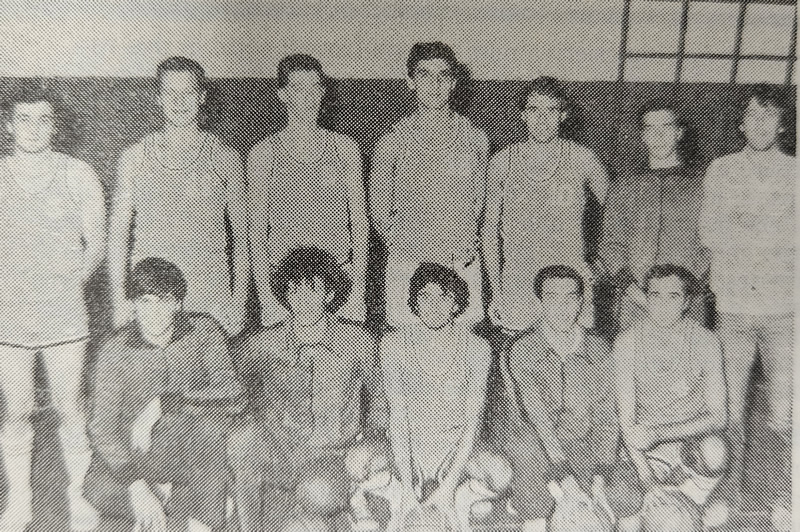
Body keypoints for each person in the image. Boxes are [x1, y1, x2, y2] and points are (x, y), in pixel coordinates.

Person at [0, 87, 105, 532]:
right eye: (24, 119)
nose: (33, 128)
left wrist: (66, 286)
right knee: (17, 408)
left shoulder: (77, 173)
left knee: (69, 405)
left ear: (55, 126)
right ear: (9, 125)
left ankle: (79, 496)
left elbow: (96, 244)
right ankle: (20, 500)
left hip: (63, 313)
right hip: (8, 316)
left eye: (43, 119)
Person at [227, 247, 386, 532]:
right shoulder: (263, 342)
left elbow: (379, 399)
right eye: (295, 291)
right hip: (281, 451)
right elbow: (227, 382)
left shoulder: (358, 340)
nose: (303, 301)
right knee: (242, 441)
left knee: (317, 494)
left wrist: (369, 442)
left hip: (332, 453)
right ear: (285, 295)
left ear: (329, 294)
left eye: (312, 290)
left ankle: (341, 501)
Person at [86, 258, 242, 532]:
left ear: (178, 304)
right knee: (96, 489)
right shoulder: (114, 350)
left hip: (192, 446)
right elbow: (101, 429)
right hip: (142, 452)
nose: (155, 312)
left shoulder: (204, 330)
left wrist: (164, 403)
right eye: (145, 301)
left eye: (165, 301)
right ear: (133, 305)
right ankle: (181, 498)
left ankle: (199, 514)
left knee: (210, 430)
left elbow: (234, 395)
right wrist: (137, 487)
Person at [698, 85, 794, 515]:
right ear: (741, 123)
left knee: (785, 411)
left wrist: (744, 222)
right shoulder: (722, 169)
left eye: (769, 115)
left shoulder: (795, 171)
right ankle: (728, 495)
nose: (760, 124)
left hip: (785, 310)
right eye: (752, 116)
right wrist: (772, 225)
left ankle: (785, 498)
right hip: (734, 308)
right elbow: (709, 233)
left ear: (782, 123)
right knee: (727, 408)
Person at [108, 56, 248, 335]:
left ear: (202, 97)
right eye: (171, 93)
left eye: (188, 92)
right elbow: (118, 235)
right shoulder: (134, 158)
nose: (180, 101)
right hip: (152, 296)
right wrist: (119, 299)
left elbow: (242, 237)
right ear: (158, 98)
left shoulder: (225, 158)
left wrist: (239, 300)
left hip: (209, 295)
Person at [375, 263, 511, 532]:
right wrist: (407, 486)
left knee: (500, 474)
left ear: (456, 303)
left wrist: (448, 487)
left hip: (454, 446)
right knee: (357, 463)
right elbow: (398, 417)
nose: (434, 306)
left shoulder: (477, 347)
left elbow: (473, 422)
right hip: (410, 445)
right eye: (425, 296)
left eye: (444, 297)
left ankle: (461, 495)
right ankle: (398, 492)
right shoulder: (393, 343)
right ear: (415, 301)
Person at [500, 265, 637, 530]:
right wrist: (565, 480)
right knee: (536, 501)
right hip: (537, 446)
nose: (562, 308)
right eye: (552, 298)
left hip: (583, 444)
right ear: (539, 302)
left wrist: (601, 476)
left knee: (625, 498)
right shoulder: (522, 348)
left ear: (581, 302)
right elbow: (536, 420)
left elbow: (607, 417)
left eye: (570, 298)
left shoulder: (598, 348)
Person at [369, 42, 488, 327]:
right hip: (410, 263)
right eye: (424, 75)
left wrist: (465, 240)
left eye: (443, 76)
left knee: (463, 346)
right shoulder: (392, 141)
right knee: (407, 344)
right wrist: (408, 247)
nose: (435, 84)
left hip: (459, 261)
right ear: (410, 81)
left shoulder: (475, 139)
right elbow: (379, 211)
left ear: (454, 82)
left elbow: (478, 203)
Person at [247, 54, 368, 326]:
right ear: (283, 94)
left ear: (323, 92)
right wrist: (266, 299)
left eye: (315, 88)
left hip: (336, 279)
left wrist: (358, 293)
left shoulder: (345, 148)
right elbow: (257, 231)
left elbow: (360, 224)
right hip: (286, 283)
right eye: (299, 88)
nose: (309, 96)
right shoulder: (264, 153)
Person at [483, 76, 608, 333]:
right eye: (534, 110)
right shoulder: (502, 162)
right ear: (523, 114)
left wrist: (600, 263)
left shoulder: (582, 158)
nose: (542, 119)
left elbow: (617, 215)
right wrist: (496, 290)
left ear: (563, 115)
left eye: (551, 110)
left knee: (575, 355)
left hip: (570, 283)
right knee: (520, 354)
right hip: (519, 283)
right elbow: (489, 233)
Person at [613, 265, 728, 519]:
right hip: (645, 451)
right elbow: (626, 422)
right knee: (624, 500)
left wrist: (660, 433)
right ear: (646, 297)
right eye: (655, 295)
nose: (662, 306)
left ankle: (693, 503)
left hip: (688, 446)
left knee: (715, 450)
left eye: (673, 296)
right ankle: (670, 504)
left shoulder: (706, 341)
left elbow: (719, 417)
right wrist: (647, 478)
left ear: (686, 302)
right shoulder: (626, 342)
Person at [600, 101, 709, 332]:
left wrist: (685, 294)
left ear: (679, 132)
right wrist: (638, 295)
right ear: (643, 135)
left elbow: (713, 245)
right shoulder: (623, 186)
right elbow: (610, 245)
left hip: (686, 306)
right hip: (635, 305)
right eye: (651, 128)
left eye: (666, 127)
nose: (659, 136)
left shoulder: (702, 187)